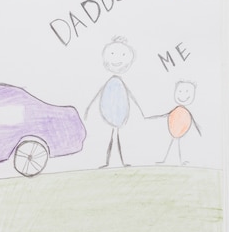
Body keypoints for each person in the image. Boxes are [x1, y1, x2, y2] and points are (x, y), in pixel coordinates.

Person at [85, 36, 143, 167]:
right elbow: (97, 94)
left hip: (120, 115)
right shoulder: (111, 82)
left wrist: (140, 109)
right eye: (112, 54)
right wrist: (89, 107)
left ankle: (121, 161)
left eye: (122, 55)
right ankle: (109, 162)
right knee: (111, 137)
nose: (117, 59)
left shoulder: (119, 83)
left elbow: (131, 96)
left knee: (117, 137)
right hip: (108, 114)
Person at [151, 80, 201, 165]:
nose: (183, 95)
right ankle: (165, 160)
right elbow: (165, 114)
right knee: (171, 143)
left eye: (187, 91)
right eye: (180, 91)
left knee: (180, 144)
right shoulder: (176, 110)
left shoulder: (186, 113)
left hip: (181, 130)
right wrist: (153, 117)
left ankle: (181, 161)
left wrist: (199, 130)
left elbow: (195, 123)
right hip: (173, 129)